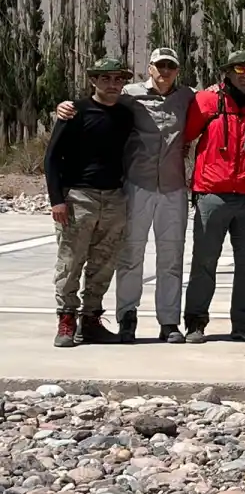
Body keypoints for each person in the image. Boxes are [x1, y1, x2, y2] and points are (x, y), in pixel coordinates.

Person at [53, 46, 194, 344]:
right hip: (136, 186)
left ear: (177, 71)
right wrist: (64, 106)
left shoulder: (187, 96)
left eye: (170, 66)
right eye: (160, 66)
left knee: (171, 258)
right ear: (150, 68)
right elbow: (96, 102)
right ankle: (126, 318)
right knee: (129, 256)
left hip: (172, 188)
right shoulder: (128, 94)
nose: (165, 71)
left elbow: (219, 97)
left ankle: (169, 322)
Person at [182, 50, 245, 344]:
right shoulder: (207, 101)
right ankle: (196, 323)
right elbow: (186, 135)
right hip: (212, 194)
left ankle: (244, 326)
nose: (244, 76)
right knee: (204, 262)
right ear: (228, 73)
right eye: (238, 70)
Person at [44, 57, 136, 347]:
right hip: (78, 197)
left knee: (104, 263)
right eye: (105, 78)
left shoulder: (126, 115)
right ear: (93, 80)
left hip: (114, 197)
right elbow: (51, 158)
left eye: (118, 79)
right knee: (71, 261)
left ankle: (91, 319)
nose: (112, 84)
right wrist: (57, 200)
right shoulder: (75, 112)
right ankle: (66, 320)